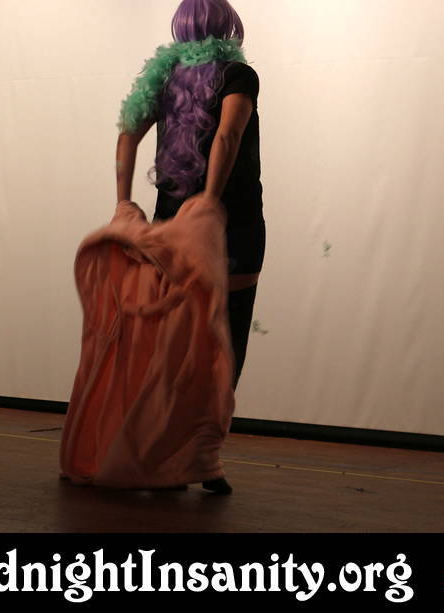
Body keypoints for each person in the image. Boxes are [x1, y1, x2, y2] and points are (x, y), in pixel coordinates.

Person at [114, 0, 264, 495]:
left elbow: (127, 135)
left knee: (176, 338)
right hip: (231, 223)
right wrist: (211, 203)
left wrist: (123, 202)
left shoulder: (162, 77)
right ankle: (203, 455)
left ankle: (173, 453)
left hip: (172, 224)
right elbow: (228, 135)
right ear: (229, 26)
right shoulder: (238, 75)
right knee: (226, 338)